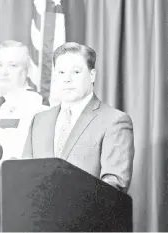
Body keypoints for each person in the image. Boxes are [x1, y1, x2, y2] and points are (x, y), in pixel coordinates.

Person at [22, 42, 134, 192]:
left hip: (87, 214)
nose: (67, 79)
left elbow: (114, 185)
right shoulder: (39, 120)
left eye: (76, 72)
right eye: (61, 72)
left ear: (92, 75)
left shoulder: (114, 121)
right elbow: (23, 174)